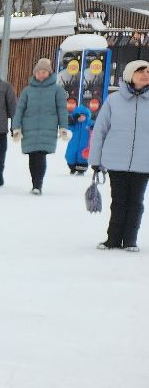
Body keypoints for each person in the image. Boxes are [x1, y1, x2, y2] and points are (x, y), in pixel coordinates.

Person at [90, 59, 149, 252]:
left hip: (144, 162)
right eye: (140, 71)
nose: (145, 74)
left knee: (136, 202)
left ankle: (130, 239)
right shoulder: (114, 100)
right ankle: (113, 239)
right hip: (116, 160)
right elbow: (100, 131)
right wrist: (95, 160)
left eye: (148, 71)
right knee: (119, 201)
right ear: (129, 75)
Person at [12, 57, 68, 195]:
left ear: (49, 73)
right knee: (32, 156)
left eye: (44, 72)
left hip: (47, 128)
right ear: (34, 73)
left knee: (41, 155)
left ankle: (38, 185)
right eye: (39, 72)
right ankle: (34, 183)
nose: (41, 74)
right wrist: (16, 127)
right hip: (29, 128)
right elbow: (19, 109)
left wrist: (63, 127)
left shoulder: (57, 90)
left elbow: (62, 109)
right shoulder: (27, 91)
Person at [66, 97, 94, 175]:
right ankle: (72, 167)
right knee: (70, 155)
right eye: (79, 115)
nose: (81, 117)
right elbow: (68, 127)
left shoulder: (89, 123)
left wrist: (93, 127)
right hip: (74, 143)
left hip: (85, 144)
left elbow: (96, 125)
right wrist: (71, 121)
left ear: (87, 116)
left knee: (83, 156)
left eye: (83, 115)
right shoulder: (75, 124)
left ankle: (82, 169)